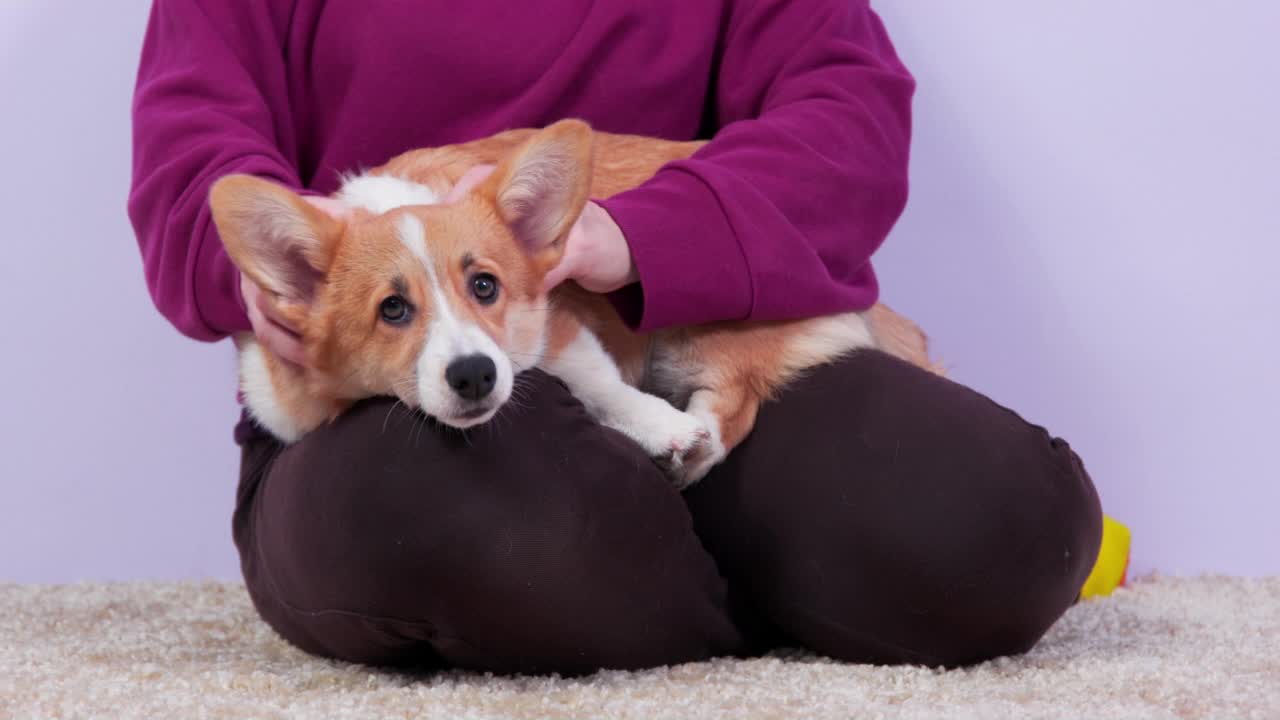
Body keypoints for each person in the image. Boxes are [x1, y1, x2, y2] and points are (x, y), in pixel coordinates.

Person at [128, 0, 1101, 675]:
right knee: (466, 521)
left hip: (703, 335)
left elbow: (848, 121)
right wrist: (296, 276)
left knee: (1007, 523)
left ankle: (636, 580)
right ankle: (729, 579)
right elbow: (190, 162)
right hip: (388, 405)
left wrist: (625, 234)